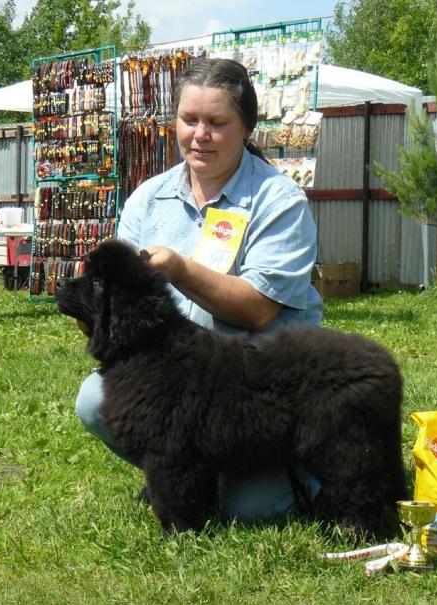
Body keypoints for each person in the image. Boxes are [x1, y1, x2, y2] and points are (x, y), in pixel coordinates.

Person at [75, 58, 323, 524]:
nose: (199, 134)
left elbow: (258, 310)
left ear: (246, 127)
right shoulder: (148, 199)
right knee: (95, 399)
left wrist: (180, 269)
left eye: (216, 122)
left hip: (256, 390)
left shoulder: (279, 200)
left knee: (249, 512)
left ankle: (295, 473)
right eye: (189, 120)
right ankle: (182, 473)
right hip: (179, 383)